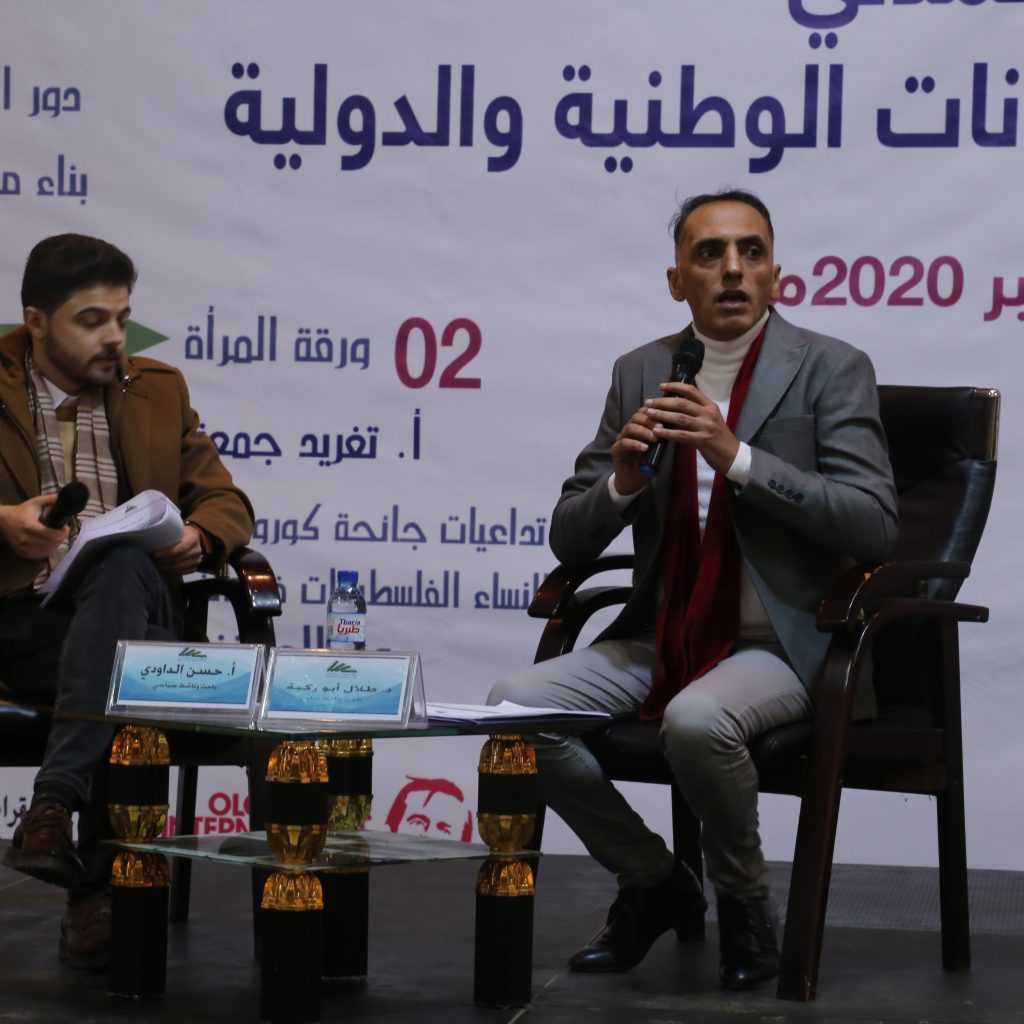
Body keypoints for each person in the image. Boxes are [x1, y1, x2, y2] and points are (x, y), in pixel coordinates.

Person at [489, 188, 898, 990]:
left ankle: (744, 904)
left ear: (775, 274)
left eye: (751, 252)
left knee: (697, 718)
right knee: (512, 709)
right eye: (709, 254)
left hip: (782, 638)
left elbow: (875, 524)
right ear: (678, 280)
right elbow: (569, 536)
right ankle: (654, 878)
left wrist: (736, 457)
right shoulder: (641, 370)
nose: (733, 269)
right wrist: (623, 483)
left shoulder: (832, 367)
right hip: (664, 631)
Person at [0, 234, 254, 968]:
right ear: (36, 322)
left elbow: (226, 499)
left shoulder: (157, 388)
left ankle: (52, 806)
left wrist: (201, 536)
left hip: (140, 606)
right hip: (23, 622)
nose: (115, 336)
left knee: (115, 567)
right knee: (132, 668)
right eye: (92, 320)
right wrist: (4, 522)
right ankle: (99, 894)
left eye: (122, 316)